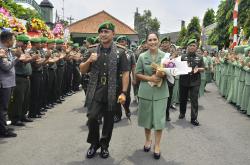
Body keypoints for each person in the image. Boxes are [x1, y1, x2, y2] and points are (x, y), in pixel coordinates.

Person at [79, 21, 129, 159]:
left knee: (108, 121)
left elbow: (125, 73)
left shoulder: (121, 52)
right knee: (92, 118)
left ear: (113, 34)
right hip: (96, 90)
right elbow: (82, 70)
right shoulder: (92, 50)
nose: (103, 34)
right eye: (101, 32)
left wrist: (124, 92)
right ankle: (94, 143)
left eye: (106, 32)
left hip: (113, 91)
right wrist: (89, 60)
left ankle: (105, 145)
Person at [135, 32, 169, 159]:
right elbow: (137, 73)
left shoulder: (165, 56)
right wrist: (150, 77)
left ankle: (157, 145)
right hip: (145, 91)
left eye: (155, 39)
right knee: (147, 119)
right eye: (150, 40)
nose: (153, 42)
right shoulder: (142, 57)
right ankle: (148, 140)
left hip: (161, 92)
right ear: (146, 42)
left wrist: (164, 74)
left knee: (159, 120)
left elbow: (172, 73)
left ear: (158, 41)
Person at [8, 34, 34, 126]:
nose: (26, 45)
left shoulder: (24, 51)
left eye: (27, 43)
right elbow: (23, 60)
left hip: (26, 78)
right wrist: (32, 58)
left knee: (25, 98)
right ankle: (16, 118)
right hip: (19, 78)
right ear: (19, 42)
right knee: (18, 99)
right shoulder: (15, 50)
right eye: (24, 43)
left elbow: (26, 58)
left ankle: (23, 115)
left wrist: (29, 57)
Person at [0, 30, 21, 137]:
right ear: (7, 40)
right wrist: (17, 57)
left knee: (4, 107)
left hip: (7, 82)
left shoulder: (6, 50)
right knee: (3, 108)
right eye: (13, 39)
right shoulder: (1, 50)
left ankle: (3, 128)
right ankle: (3, 131)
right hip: (4, 83)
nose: (14, 41)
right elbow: (6, 66)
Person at [179, 39, 205, 126]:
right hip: (184, 81)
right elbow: (178, 68)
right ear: (187, 47)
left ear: (196, 47)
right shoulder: (182, 57)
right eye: (190, 45)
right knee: (183, 98)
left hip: (195, 81)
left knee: (194, 100)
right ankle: (182, 113)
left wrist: (198, 69)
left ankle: (194, 118)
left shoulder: (200, 57)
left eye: (194, 45)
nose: (192, 47)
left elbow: (203, 68)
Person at [114, 35, 136, 122]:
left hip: (126, 77)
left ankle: (127, 108)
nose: (122, 43)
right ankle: (117, 115)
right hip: (115, 78)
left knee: (126, 96)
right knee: (116, 96)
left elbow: (133, 67)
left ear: (126, 43)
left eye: (124, 41)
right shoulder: (114, 52)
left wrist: (134, 78)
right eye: (120, 41)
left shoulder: (130, 53)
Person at [160, 37, 174, 121]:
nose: (165, 44)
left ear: (169, 44)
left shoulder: (173, 54)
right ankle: (160, 113)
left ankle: (166, 114)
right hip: (160, 78)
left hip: (170, 79)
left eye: (166, 42)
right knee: (160, 97)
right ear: (161, 44)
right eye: (163, 42)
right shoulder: (158, 53)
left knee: (168, 97)